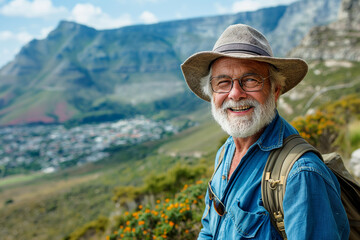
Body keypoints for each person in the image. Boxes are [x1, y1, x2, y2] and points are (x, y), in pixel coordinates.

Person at [181, 24, 350, 239]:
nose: (235, 94)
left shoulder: (301, 175)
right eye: (223, 82)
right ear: (212, 94)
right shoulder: (225, 152)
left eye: (250, 80)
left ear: (275, 90)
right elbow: (209, 229)